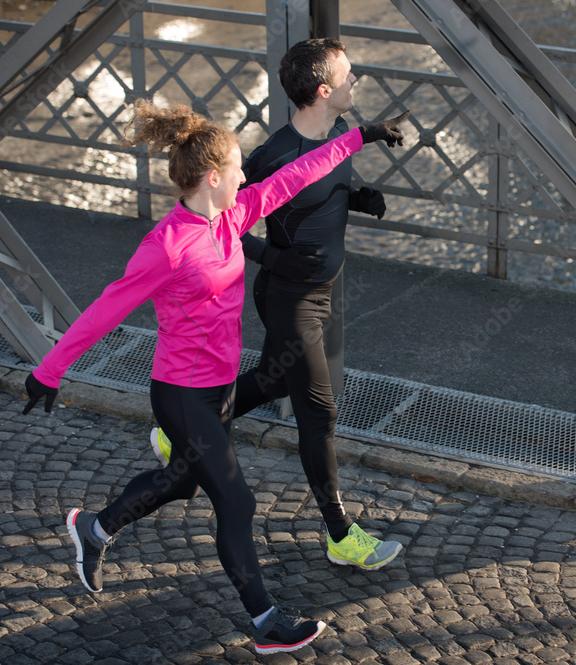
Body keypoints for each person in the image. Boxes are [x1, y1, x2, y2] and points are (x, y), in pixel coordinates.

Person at [21, 98, 408, 655]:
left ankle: (94, 529)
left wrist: (362, 136)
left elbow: (299, 173)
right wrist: (49, 371)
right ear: (211, 177)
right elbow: (105, 309)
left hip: (220, 390)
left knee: (179, 482)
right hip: (181, 395)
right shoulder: (166, 247)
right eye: (236, 169)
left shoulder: (234, 215)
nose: (245, 176)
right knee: (236, 501)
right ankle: (266, 621)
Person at [151, 38, 405, 571]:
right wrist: (274, 258)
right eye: (349, 75)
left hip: (319, 291)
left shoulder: (338, 134)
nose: (356, 80)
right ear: (323, 90)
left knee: (269, 379)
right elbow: (220, 226)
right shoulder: (273, 156)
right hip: (289, 298)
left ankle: (176, 436)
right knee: (321, 414)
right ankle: (340, 535)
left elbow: (325, 189)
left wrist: (358, 199)